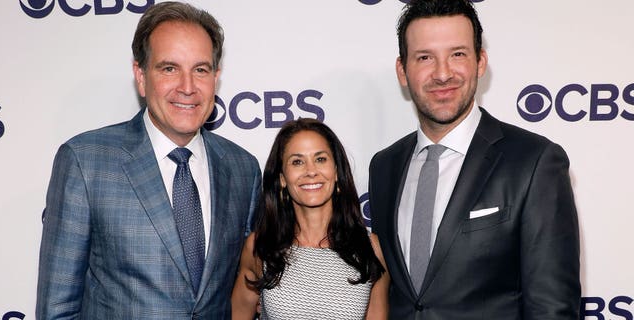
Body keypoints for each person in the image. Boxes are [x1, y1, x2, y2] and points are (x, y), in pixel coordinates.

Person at [36, 2, 261, 319]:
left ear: (216, 77)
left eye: (200, 69)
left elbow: (248, 292)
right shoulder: (86, 161)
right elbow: (57, 309)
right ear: (140, 76)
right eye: (169, 68)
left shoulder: (243, 169)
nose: (187, 87)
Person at [368, 0, 581, 319]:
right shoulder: (384, 166)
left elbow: (552, 308)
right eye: (425, 57)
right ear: (403, 69)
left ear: (480, 62)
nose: (442, 74)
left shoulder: (534, 162)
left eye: (458, 54)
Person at [231, 118, 390, 319]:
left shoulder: (370, 248)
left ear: (337, 172)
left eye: (320, 159)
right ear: (282, 178)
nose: (311, 171)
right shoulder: (260, 246)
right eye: (297, 162)